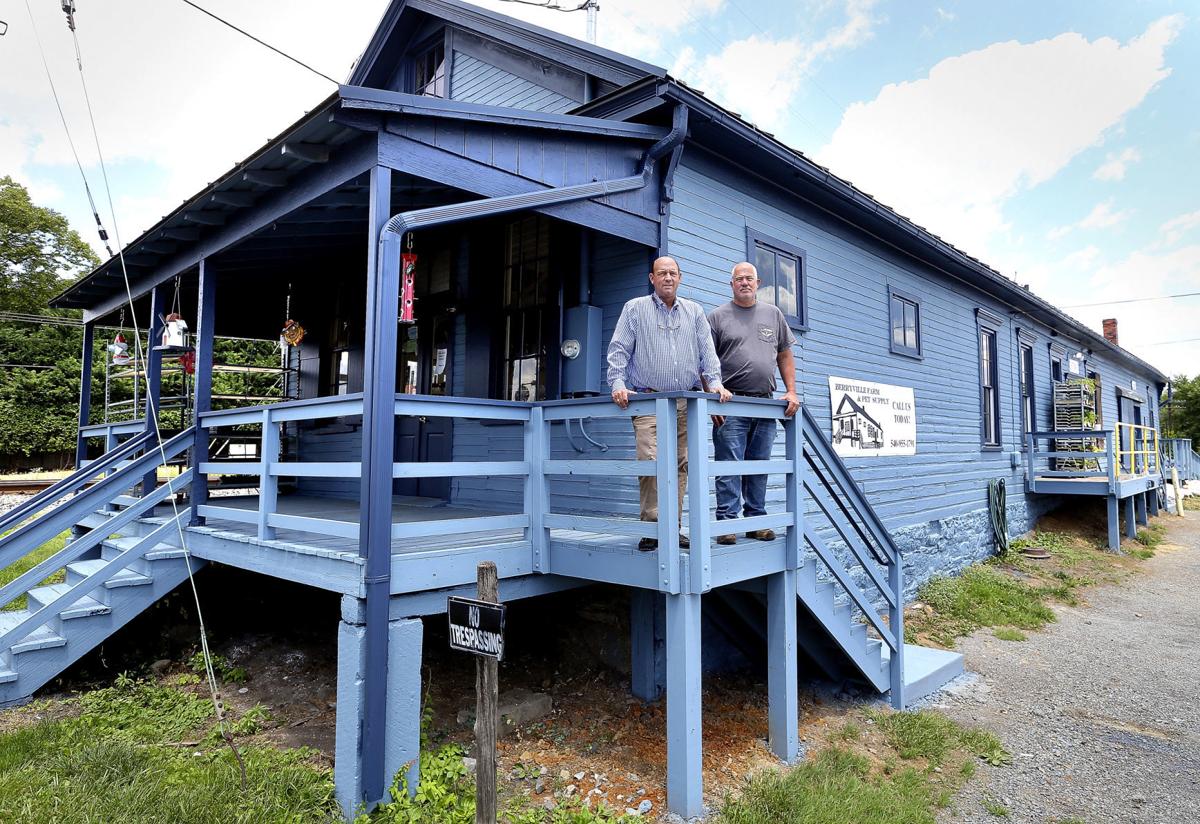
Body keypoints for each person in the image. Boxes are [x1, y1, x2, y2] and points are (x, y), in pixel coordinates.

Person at [607, 256, 731, 550]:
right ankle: (653, 528)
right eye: (661, 273)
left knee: (680, 464)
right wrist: (618, 384)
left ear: (680, 277)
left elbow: (707, 354)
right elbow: (619, 350)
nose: (667, 278)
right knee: (650, 462)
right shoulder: (635, 309)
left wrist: (715, 383)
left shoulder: (695, 312)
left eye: (672, 273)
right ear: (652, 278)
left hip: (685, 402)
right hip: (648, 400)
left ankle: (672, 528)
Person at [708, 261, 799, 544]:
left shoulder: (773, 315)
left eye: (750, 278)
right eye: (739, 279)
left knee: (759, 464)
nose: (744, 282)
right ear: (731, 284)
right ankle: (726, 523)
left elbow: (784, 355)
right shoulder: (717, 317)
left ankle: (756, 520)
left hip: (765, 404)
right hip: (729, 403)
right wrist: (712, 396)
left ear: (758, 284)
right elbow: (705, 361)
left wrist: (791, 391)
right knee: (729, 465)